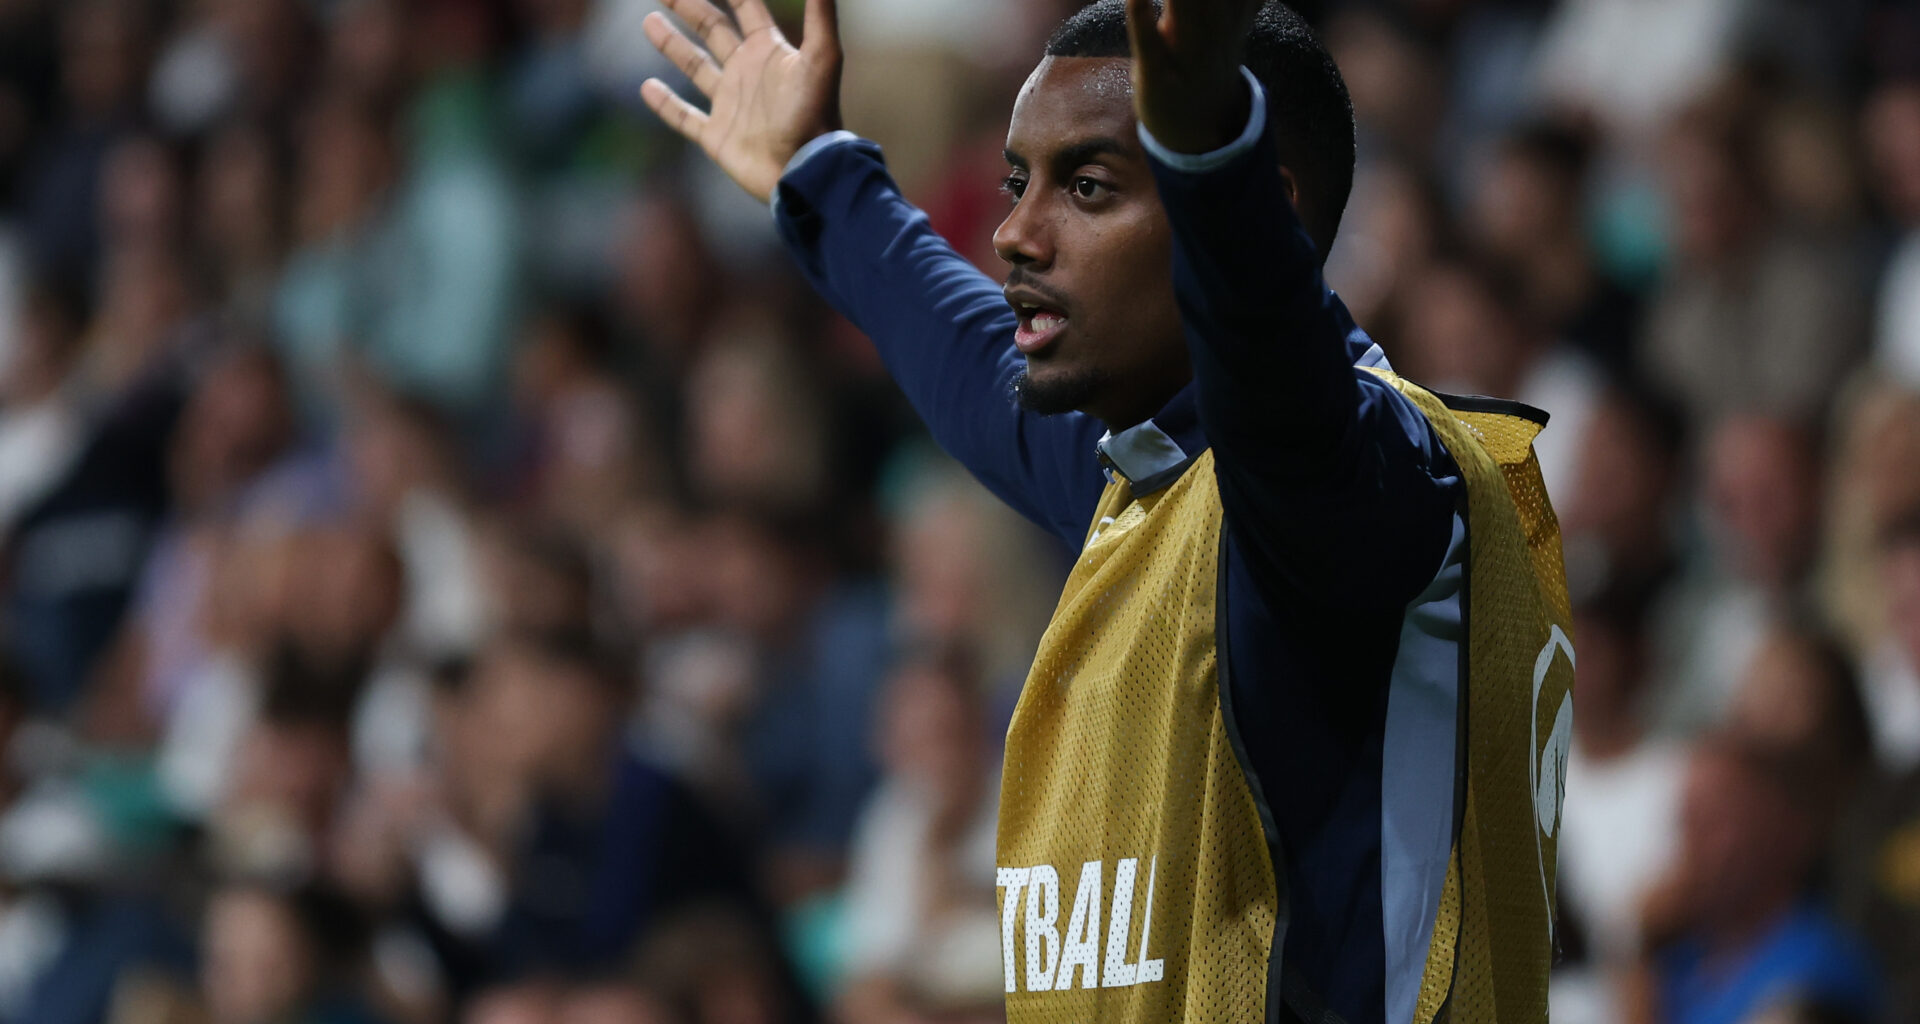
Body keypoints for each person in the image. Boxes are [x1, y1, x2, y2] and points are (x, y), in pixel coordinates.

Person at [641, 1, 1574, 1021]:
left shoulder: (1370, 479)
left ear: (1263, 205)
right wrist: (813, 168)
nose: (1013, 232)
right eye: (1016, 182)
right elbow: (965, 358)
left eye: (1088, 185)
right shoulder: (1154, 479)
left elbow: (1287, 397)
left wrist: (1213, 166)